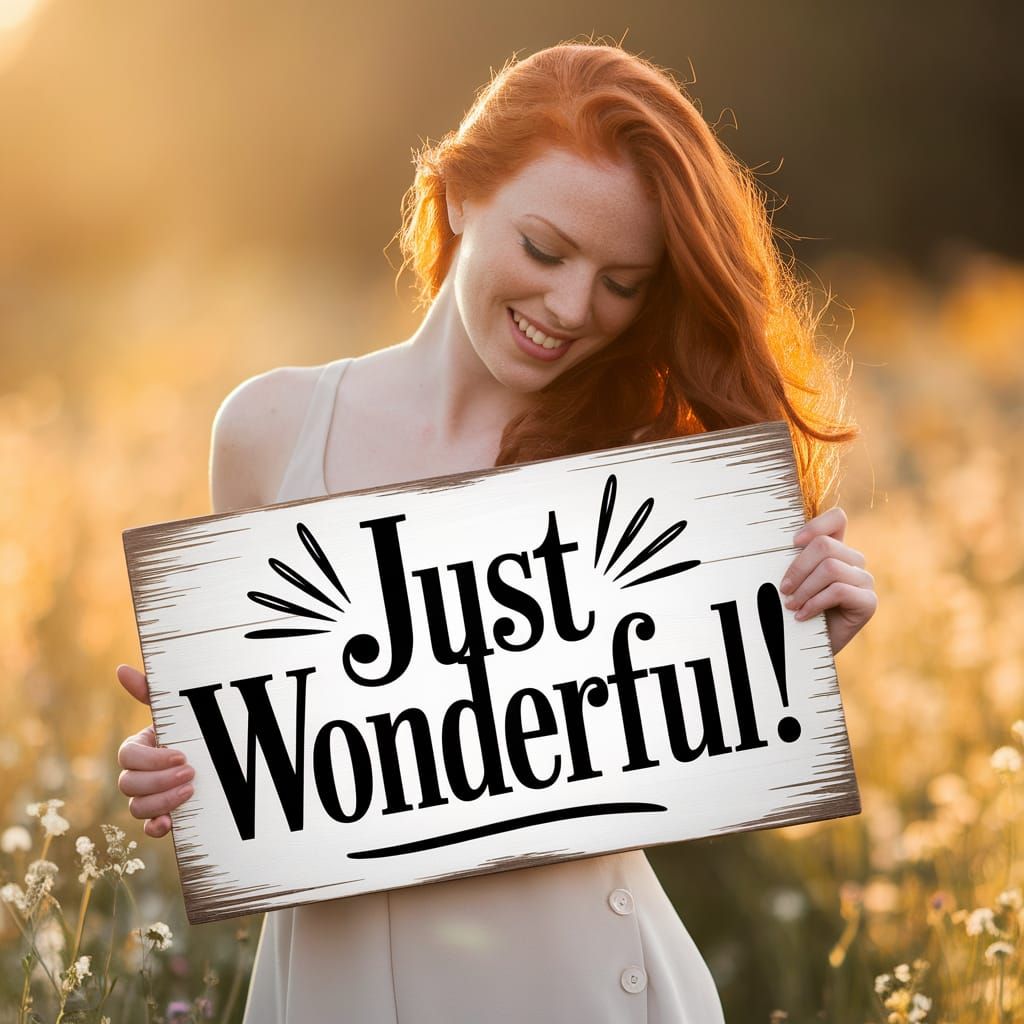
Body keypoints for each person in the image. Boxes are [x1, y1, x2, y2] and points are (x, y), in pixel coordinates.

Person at [115, 40, 877, 1023]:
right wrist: (183, 769)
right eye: (547, 249)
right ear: (460, 194)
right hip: (345, 985)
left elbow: (680, 738)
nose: (571, 307)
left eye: (622, 282)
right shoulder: (268, 430)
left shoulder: (636, 456)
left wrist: (797, 643)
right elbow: (284, 765)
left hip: (587, 983)